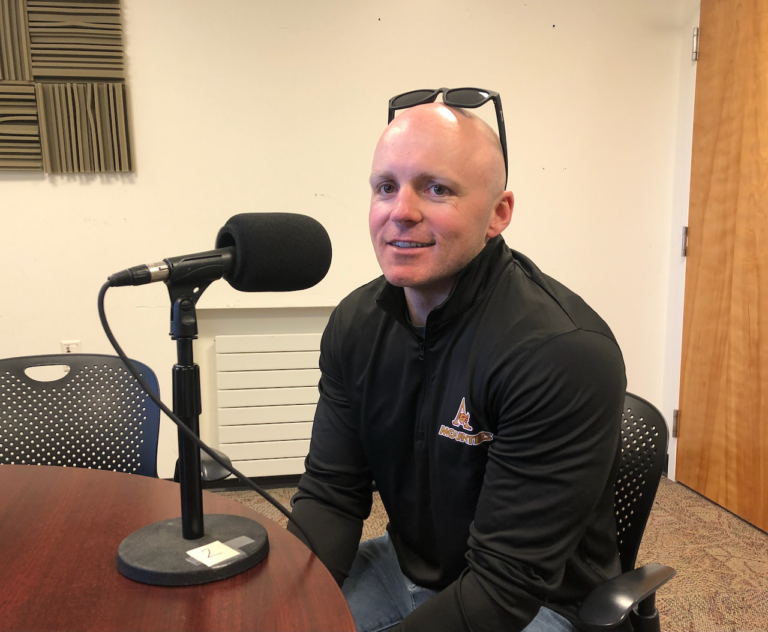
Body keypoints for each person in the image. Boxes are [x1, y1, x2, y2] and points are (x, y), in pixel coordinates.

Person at [288, 94, 627, 632]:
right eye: (386, 187)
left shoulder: (561, 352)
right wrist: (282, 602)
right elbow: (331, 493)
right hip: (404, 568)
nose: (402, 211)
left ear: (499, 213)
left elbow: (504, 586)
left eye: (436, 188)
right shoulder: (356, 324)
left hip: (534, 602)